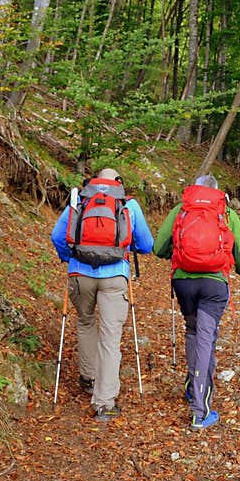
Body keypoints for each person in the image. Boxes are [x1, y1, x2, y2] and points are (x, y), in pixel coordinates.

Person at [51, 168, 154, 421]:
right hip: (114, 276)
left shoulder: (80, 200)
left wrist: (70, 258)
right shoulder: (128, 204)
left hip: (80, 275)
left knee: (86, 322)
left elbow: (57, 236)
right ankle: (104, 403)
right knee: (110, 336)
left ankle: (88, 377)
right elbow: (147, 245)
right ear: (118, 182)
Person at [153, 173, 240, 430]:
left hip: (184, 283)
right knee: (206, 338)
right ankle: (200, 410)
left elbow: (159, 247)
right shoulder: (226, 212)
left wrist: (180, 255)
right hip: (213, 285)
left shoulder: (181, 210)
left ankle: (191, 384)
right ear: (217, 191)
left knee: (193, 331)